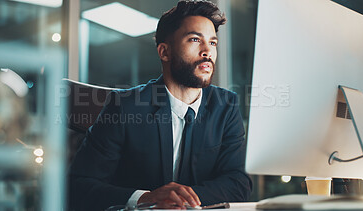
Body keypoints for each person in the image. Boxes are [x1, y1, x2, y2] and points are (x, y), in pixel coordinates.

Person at [69, 1, 252, 210]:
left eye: (212, 43)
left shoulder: (226, 106)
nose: (207, 52)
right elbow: (78, 186)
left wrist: (178, 201)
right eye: (195, 39)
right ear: (164, 52)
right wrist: (146, 198)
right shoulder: (124, 107)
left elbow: (238, 183)